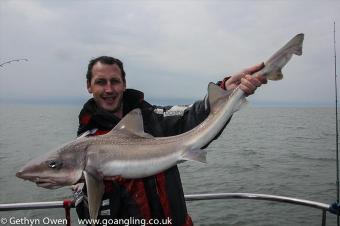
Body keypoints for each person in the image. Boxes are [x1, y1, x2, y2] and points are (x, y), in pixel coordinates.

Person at [73, 56, 267, 226]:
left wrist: (225, 90)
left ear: (124, 84)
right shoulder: (85, 145)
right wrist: (90, 186)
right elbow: (87, 217)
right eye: (100, 82)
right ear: (89, 86)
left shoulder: (153, 118)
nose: (108, 89)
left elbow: (193, 116)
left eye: (114, 81)